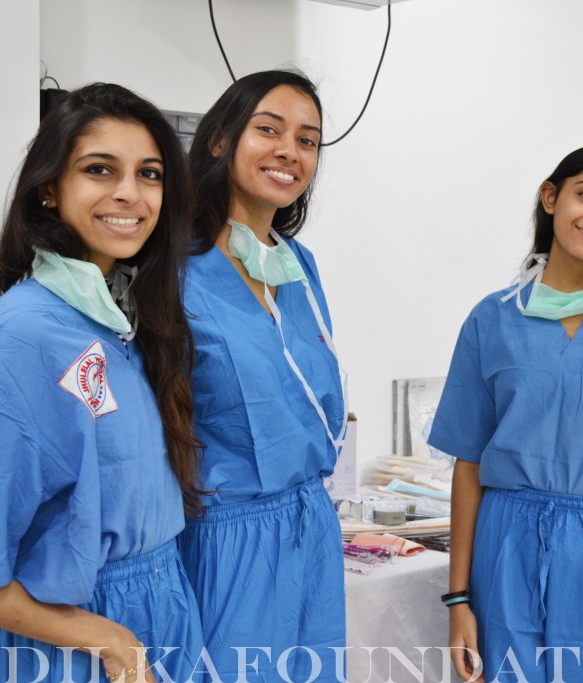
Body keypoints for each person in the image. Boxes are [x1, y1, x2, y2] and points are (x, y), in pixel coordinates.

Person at [0, 84, 205, 682]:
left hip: (164, 616)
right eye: (99, 170)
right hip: (77, 647)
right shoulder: (23, 338)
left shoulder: (126, 322)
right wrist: (105, 637)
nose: (129, 193)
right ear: (48, 190)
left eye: (150, 174)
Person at [428, 142, 583, 683]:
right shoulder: (492, 320)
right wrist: (458, 599)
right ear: (551, 197)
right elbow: (468, 464)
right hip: (507, 542)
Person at [178, 70, 347, 682]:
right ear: (221, 140)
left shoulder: (300, 266)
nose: (289, 152)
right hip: (225, 538)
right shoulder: (172, 269)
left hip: (312, 529)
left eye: (308, 141)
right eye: (268, 130)